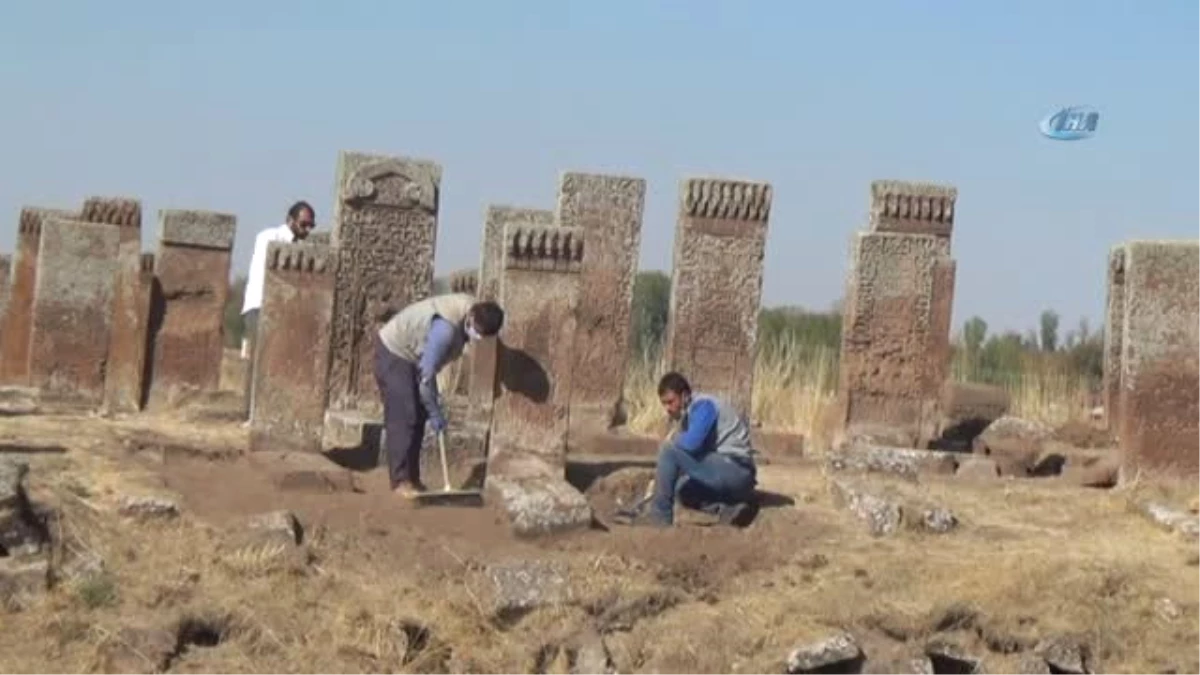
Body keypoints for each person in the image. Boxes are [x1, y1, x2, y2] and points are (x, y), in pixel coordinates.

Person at [374, 292, 505, 498]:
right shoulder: (446, 332)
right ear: (470, 317)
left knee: (419, 414)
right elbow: (426, 380)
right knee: (405, 413)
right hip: (395, 349)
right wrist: (436, 412)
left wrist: (431, 407)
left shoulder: (471, 315)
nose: (476, 337)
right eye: (476, 331)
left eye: (481, 335)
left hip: (416, 356)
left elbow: (430, 369)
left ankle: (413, 478)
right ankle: (400, 481)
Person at [621, 372, 759, 528]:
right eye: (664, 404)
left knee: (668, 451)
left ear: (685, 395)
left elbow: (691, 444)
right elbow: (690, 458)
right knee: (683, 490)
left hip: (736, 470)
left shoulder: (704, 406)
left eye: (671, 402)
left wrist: (673, 440)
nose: (668, 408)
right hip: (730, 477)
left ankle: (659, 518)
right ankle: (730, 509)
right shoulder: (690, 414)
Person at [240, 201, 316, 420]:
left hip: (285, 310)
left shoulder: (303, 247)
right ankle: (250, 414)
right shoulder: (268, 237)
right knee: (257, 362)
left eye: (311, 225)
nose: (307, 230)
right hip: (260, 305)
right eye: (303, 224)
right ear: (290, 220)